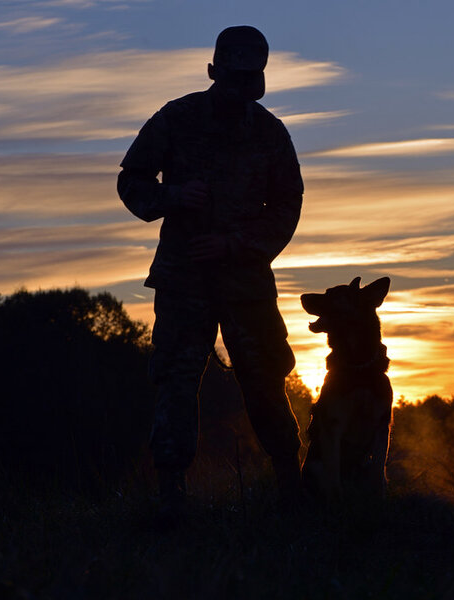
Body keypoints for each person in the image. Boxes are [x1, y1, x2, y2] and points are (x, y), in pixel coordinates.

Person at [117, 26, 304, 522]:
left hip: (247, 286)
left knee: (265, 381)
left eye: (249, 83)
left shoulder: (269, 133)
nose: (239, 91)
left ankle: (293, 491)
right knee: (176, 383)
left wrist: (237, 244)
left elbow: (288, 204)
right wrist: (172, 198)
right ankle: (172, 500)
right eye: (233, 80)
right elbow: (131, 179)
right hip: (184, 281)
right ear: (213, 73)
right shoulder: (176, 119)